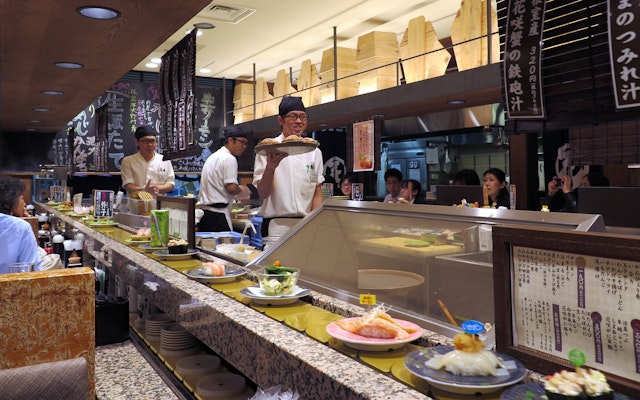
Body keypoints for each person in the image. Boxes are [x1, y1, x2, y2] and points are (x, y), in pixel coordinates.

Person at [253, 96, 325, 239]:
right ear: (281, 120)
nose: (299, 121)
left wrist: (317, 224)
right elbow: (262, 193)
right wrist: (271, 167)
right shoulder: (269, 149)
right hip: (276, 226)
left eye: (302, 117)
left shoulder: (314, 151)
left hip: (305, 225)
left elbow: (316, 192)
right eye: (293, 116)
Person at [198, 126, 252, 232]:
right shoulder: (229, 158)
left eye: (246, 144)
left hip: (206, 216)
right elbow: (231, 188)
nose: (244, 146)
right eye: (242, 142)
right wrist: (243, 190)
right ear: (231, 140)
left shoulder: (213, 157)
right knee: (224, 248)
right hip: (218, 218)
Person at [0, 176, 43, 273]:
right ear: (7, 203)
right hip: (10, 286)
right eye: (22, 199)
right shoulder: (20, 227)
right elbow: (33, 271)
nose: (24, 204)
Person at [121, 126, 175, 197]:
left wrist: (156, 188)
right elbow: (128, 185)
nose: (150, 145)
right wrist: (144, 190)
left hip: (158, 205)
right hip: (136, 204)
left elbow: (170, 184)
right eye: (145, 141)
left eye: (152, 141)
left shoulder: (165, 160)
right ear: (137, 142)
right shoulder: (128, 161)